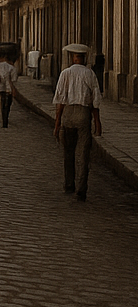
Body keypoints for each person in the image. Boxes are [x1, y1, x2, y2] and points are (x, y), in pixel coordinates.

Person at [53, 43, 102, 201]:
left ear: (72, 58)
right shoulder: (90, 74)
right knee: (83, 153)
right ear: (84, 58)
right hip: (83, 114)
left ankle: (69, 184)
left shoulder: (65, 73)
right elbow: (95, 100)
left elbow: (60, 100)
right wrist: (97, 122)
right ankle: (81, 188)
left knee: (68, 152)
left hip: (68, 113)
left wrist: (57, 123)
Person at [0, 44, 18, 128]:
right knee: (7, 105)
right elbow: (13, 80)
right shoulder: (12, 68)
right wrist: (13, 90)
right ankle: (5, 121)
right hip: (8, 89)